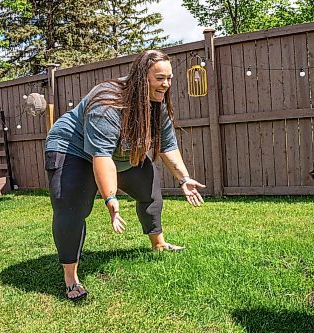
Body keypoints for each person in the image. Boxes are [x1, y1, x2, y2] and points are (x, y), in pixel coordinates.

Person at [44, 49, 205, 302]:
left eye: (170, 78)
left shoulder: (156, 105)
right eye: (160, 78)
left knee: (149, 191)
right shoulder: (107, 103)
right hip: (72, 149)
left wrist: (184, 179)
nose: (166, 84)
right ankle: (70, 277)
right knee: (71, 208)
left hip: (116, 153)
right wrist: (111, 199)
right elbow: (101, 156)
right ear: (142, 78)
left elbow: (167, 145)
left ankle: (158, 243)